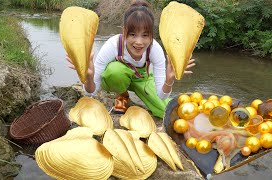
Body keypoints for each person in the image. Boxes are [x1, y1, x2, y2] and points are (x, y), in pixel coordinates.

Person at [67, 0, 195, 118]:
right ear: (124, 31)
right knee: (114, 71)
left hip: (142, 78)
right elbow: (91, 92)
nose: (139, 42)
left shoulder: (155, 49)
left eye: (145, 35)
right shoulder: (113, 44)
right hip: (118, 78)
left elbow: (162, 95)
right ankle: (122, 95)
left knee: (167, 111)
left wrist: (169, 80)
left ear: (151, 35)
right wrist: (88, 77)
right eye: (133, 34)